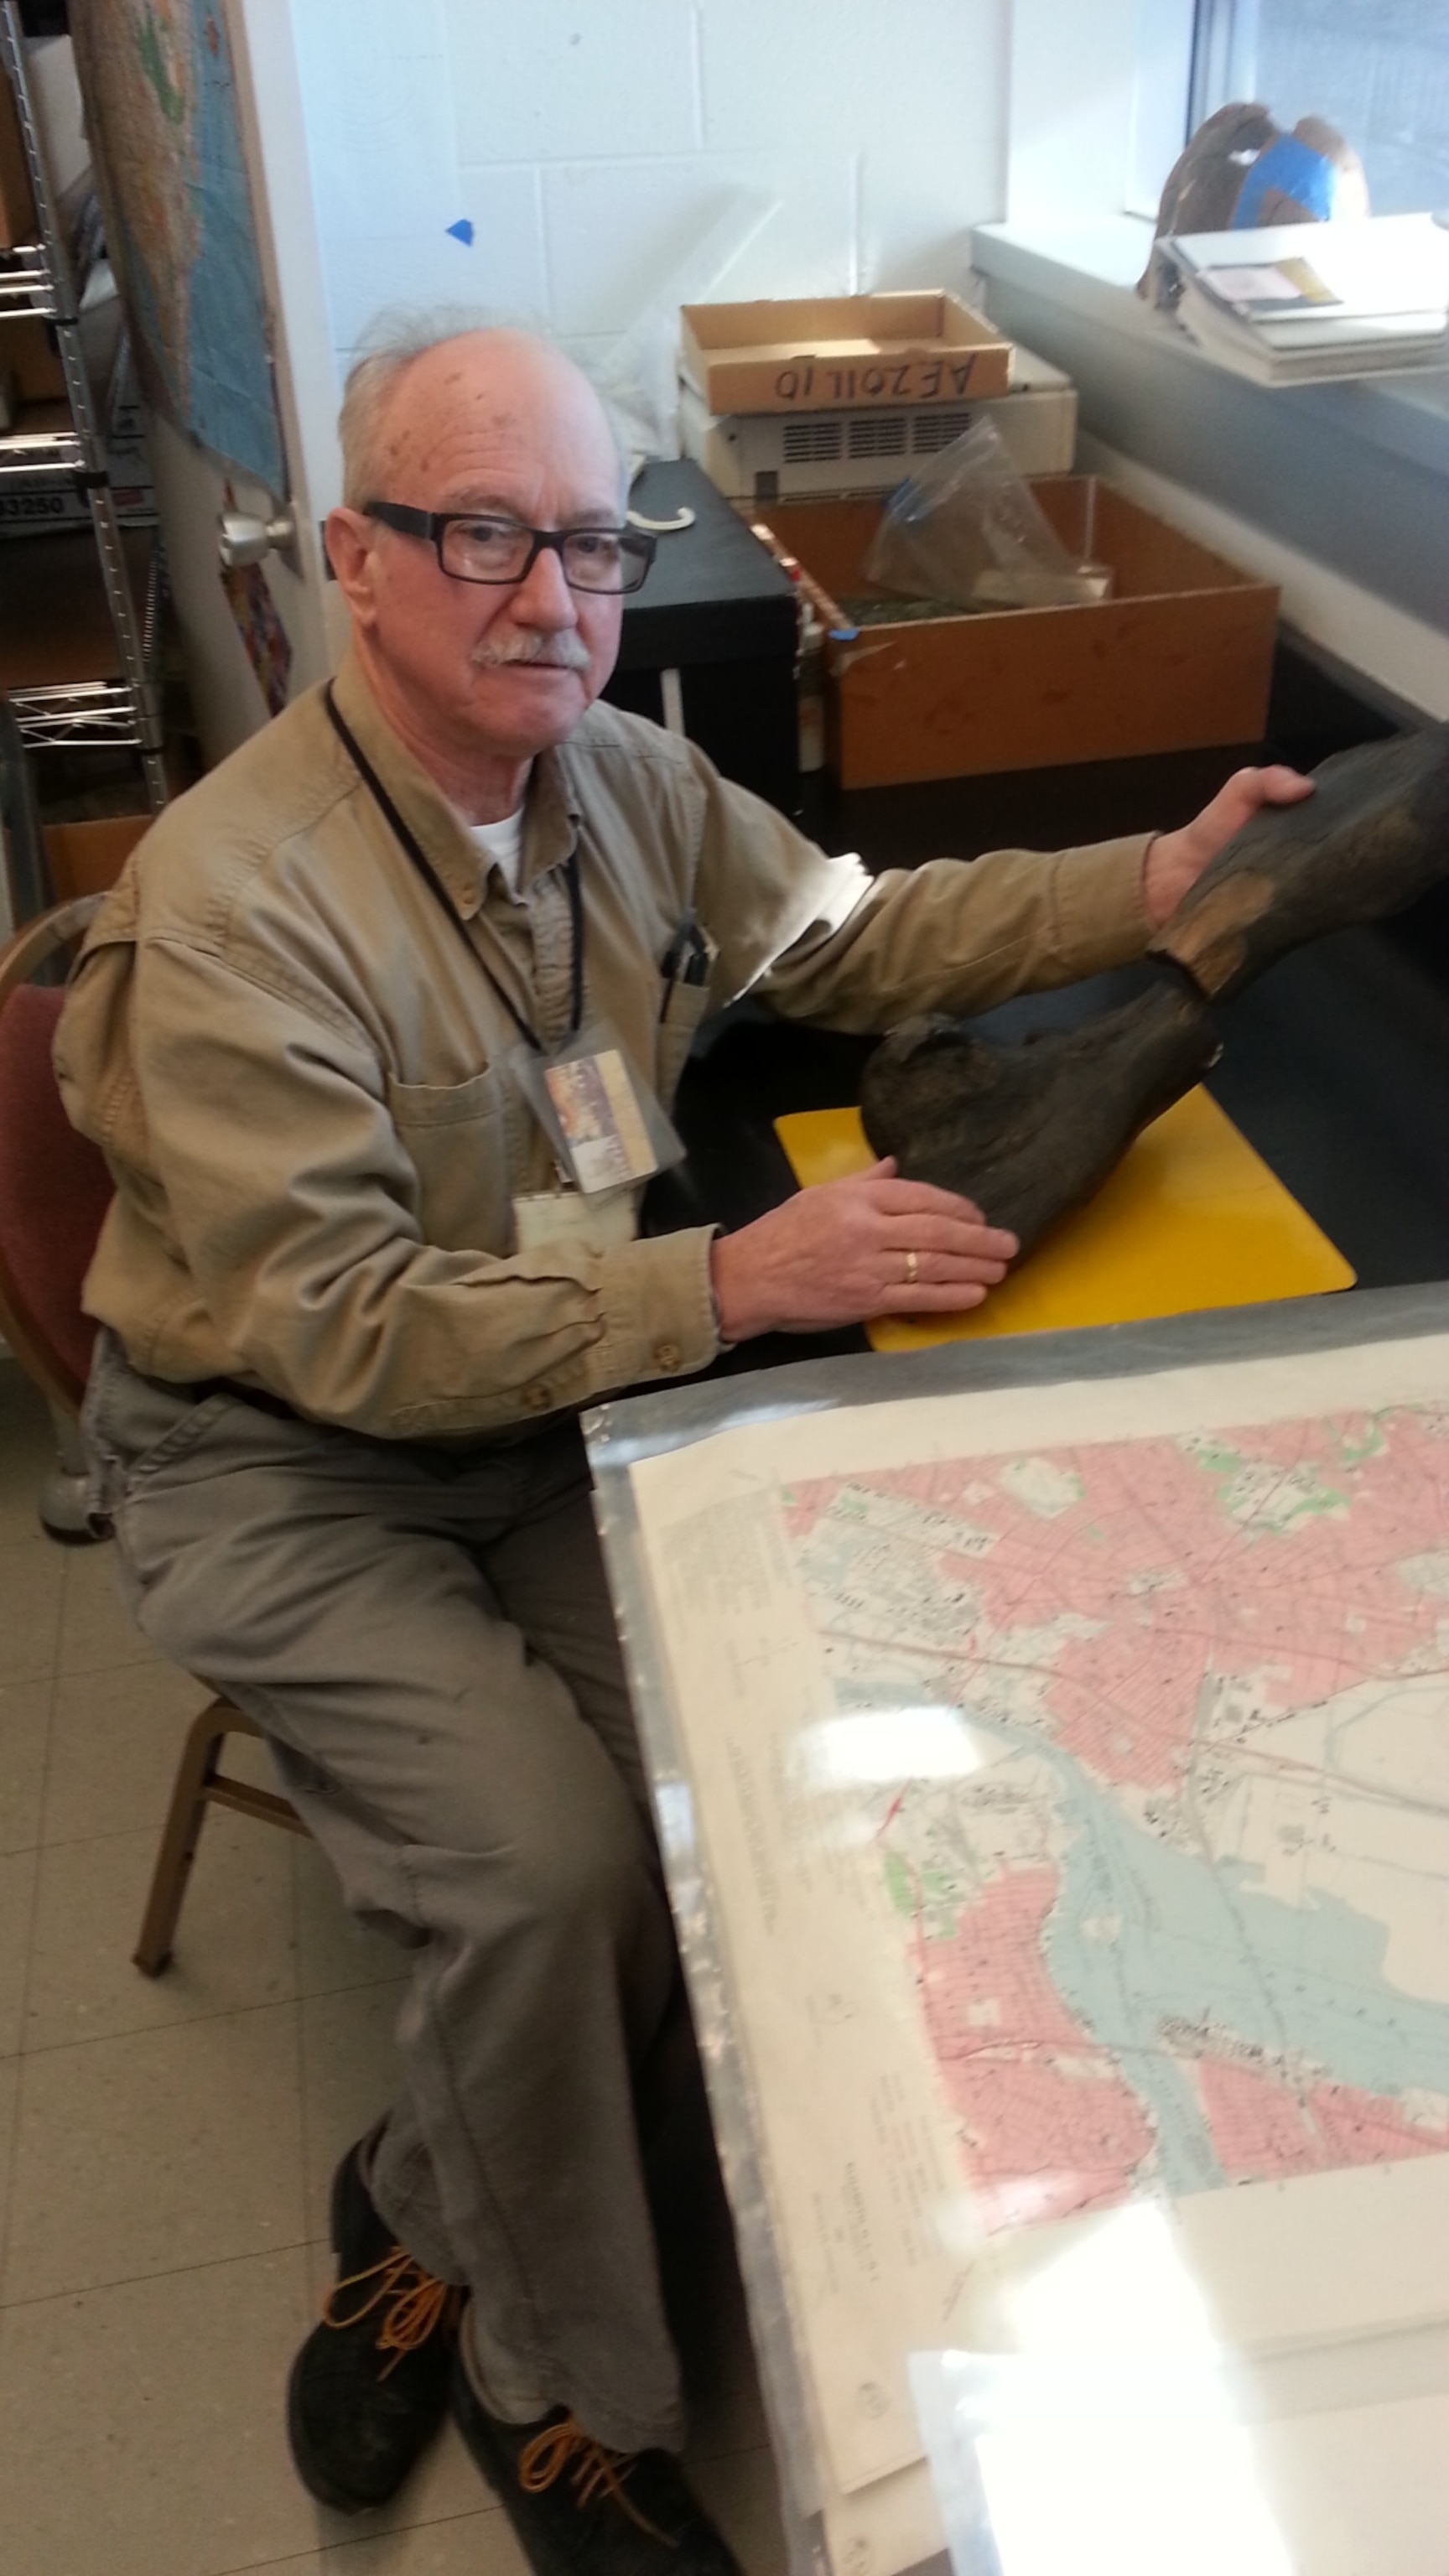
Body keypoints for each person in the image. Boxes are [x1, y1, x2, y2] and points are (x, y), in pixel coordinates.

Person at [55, 319, 1311, 2576]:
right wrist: (737, 1284)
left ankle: (423, 2193)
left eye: (595, 544)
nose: (558, 596)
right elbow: (339, 1332)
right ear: (357, 559)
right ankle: (568, 2400)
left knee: (730, 1792)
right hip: (285, 1461)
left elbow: (856, 935)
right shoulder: (236, 908)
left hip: (547, 1402)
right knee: (547, 1873)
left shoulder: (618, 780)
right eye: (486, 538)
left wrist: (1156, 876)